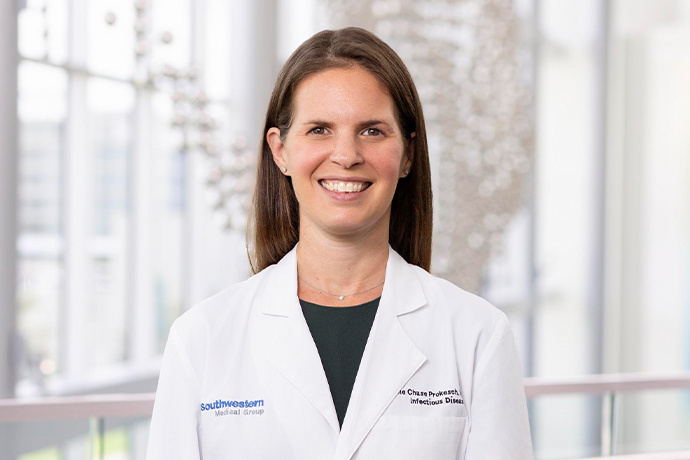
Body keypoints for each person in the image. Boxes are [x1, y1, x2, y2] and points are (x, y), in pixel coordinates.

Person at [146, 27, 533, 460]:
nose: (346, 155)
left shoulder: (477, 334)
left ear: (407, 154)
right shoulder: (202, 338)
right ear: (280, 151)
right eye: (319, 130)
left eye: (371, 131)